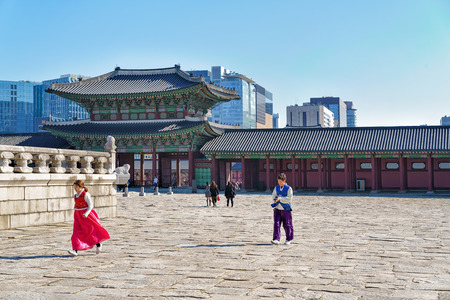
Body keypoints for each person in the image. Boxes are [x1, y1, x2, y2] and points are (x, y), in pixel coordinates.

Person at [68, 180, 110, 256]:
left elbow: (90, 205)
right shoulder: (75, 195)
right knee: (76, 232)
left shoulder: (86, 194)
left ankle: (98, 244)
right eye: (74, 187)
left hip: (86, 215)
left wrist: (86, 214)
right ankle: (75, 250)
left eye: (76, 187)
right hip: (77, 215)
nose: (75, 188)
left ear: (81, 187)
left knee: (89, 231)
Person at [271, 173, 294, 245]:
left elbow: (289, 198)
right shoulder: (276, 188)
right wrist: (275, 199)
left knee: (287, 224)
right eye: (278, 181)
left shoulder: (288, 188)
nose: (279, 183)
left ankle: (288, 239)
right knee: (276, 224)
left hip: (285, 209)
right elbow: (273, 195)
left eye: (280, 181)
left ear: (284, 180)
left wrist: (280, 198)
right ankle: (276, 239)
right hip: (277, 208)